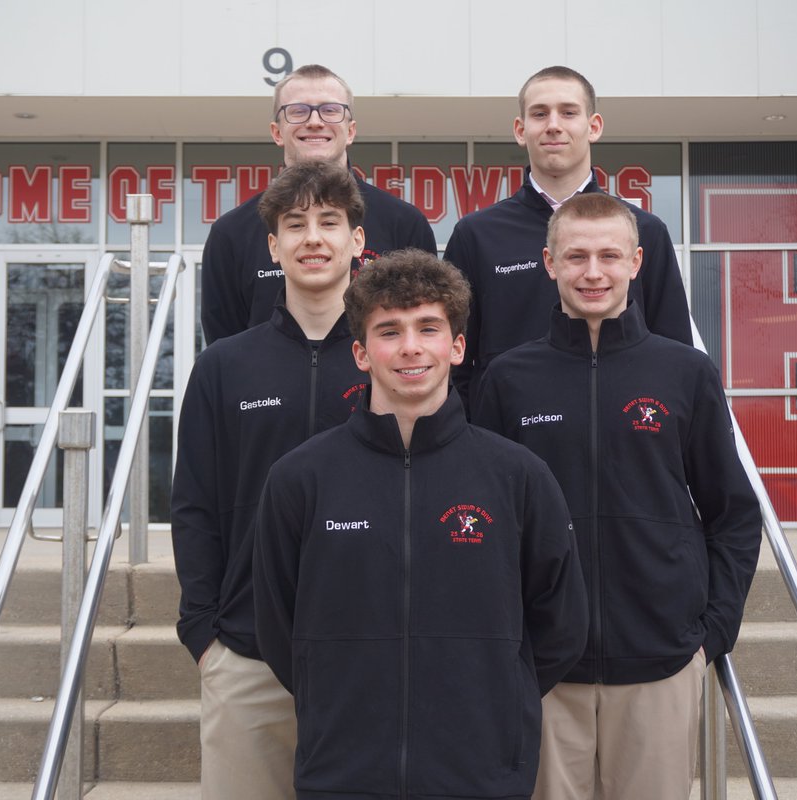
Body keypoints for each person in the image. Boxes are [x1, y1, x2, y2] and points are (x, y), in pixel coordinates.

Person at [252, 250, 588, 800]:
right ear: (360, 353)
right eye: (389, 331)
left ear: (456, 346)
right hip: (342, 772)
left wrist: (497, 697)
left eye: (428, 327)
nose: (410, 347)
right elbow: (278, 627)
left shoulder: (518, 475)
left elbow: (561, 624)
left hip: (483, 774)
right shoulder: (300, 479)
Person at [472, 193, 762, 800]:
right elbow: (487, 521)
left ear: (637, 262)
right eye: (575, 256)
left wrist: (714, 628)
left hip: (660, 656)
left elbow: (732, 510)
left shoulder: (685, 373)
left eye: (609, 255)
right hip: (545, 667)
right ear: (549, 264)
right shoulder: (508, 378)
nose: (593, 272)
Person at [170, 160, 372, 799]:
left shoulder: (394, 355)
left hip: (369, 652)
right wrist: (203, 632)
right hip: (246, 652)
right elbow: (195, 503)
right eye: (295, 224)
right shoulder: (224, 366)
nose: (313, 237)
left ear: (357, 242)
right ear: (273, 246)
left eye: (329, 222)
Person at [444, 65, 692, 408]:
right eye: (540, 114)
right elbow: (452, 361)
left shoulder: (645, 231)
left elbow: (676, 355)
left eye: (569, 112)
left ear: (594, 127)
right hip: (510, 443)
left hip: (623, 439)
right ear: (520, 129)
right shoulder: (477, 235)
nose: (554, 125)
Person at [201, 63, 437, 344]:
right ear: (277, 132)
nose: (314, 121)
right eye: (298, 111)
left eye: (330, 110)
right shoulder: (232, 232)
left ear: (350, 131)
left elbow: (426, 328)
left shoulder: (403, 223)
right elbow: (225, 344)